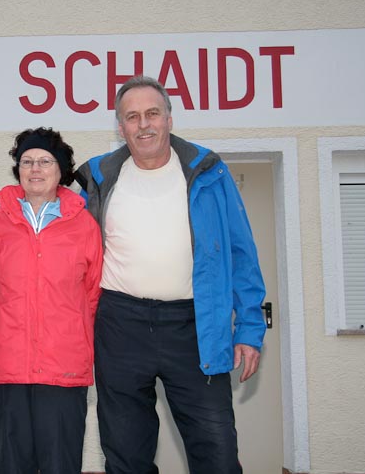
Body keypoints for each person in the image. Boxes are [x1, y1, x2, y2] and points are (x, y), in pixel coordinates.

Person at [75, 75, 267, 474]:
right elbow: (70, 256)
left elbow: (241, 253)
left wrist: (249, 329)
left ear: (169, 118)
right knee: (125, 456)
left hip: (196, 326)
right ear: (120, 126)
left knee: (216, 453)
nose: (143, 124)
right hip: (119, 324)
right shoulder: (97, 178)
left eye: (152, 113)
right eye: (132, 117)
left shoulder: (209, 173)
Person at [0, 127, 103, 474]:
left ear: (61, 170)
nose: (35, 169)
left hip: (64, 368)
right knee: (12, 465)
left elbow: (93, 295)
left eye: (45, 161)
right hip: (7, 369)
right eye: (26, 161)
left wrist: (76, 340)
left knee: (61, 464)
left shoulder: (85, 226)